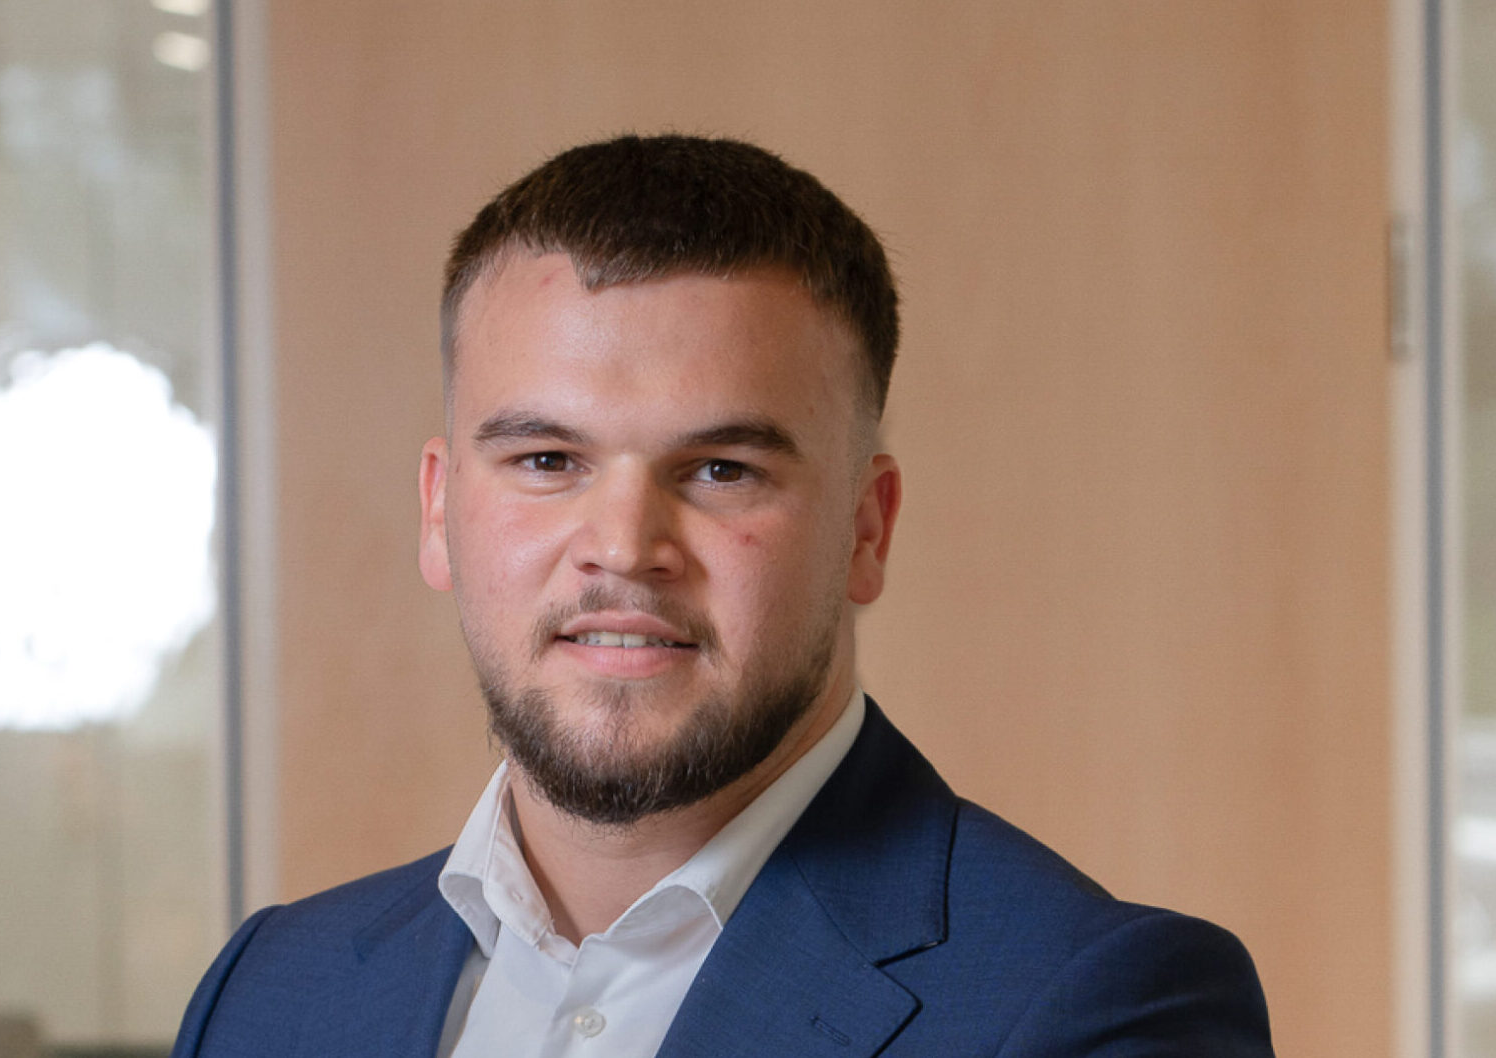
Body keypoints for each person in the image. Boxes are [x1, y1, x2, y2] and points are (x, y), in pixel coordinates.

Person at [170, 134, 1274, 1057]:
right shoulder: (269, 992)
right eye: (547, 459)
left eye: (719, 470)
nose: (623, 546)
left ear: (865, 526)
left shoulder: (1099, 1005)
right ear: (438, 509)